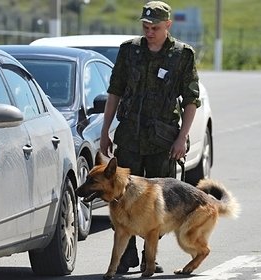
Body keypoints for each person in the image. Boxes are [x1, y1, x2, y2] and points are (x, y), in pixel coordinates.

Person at [99, 0, 201, 274]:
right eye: (145, 26)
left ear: (168, 25)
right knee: (120, 198)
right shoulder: (129, 51)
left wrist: (182, 138)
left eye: (155, 27)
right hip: (130, 136)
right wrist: (105, 130)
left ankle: (149, 257)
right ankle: (128, 255)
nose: (149, 32)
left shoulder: (182, 55)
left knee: (158, 205)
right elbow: (115, 92)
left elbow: (191, 100)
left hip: (162, 141)